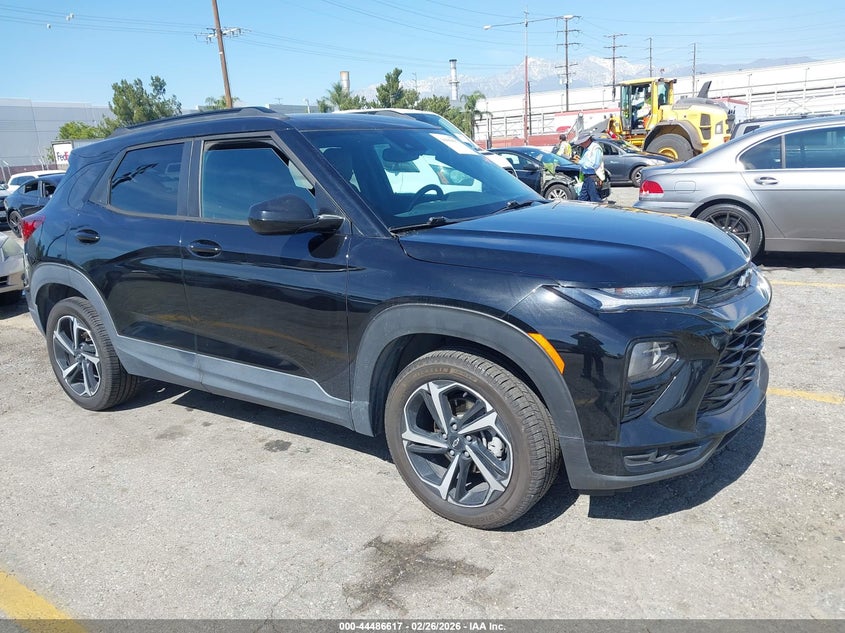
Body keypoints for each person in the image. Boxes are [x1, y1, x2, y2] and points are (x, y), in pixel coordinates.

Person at [573, 131, 606, 202]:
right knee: (582, 199)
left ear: (587, 140)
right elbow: (587, 161)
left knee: (595, 200)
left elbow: (594, 164)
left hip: (593, 177)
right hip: (587, 177)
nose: (581, 144)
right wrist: (580, 159)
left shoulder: (596, 148)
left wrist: (579, 162)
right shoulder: (586, 149)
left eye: (582, 142)